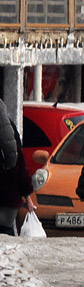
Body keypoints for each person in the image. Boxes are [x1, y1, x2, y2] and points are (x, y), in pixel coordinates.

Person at [0, 100, 31, 236]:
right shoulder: (11, 130)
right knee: (6, 236)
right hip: (8, 198)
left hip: (7, 196)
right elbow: (20, 168)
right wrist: (27, 196)